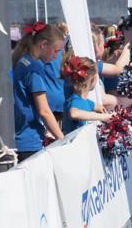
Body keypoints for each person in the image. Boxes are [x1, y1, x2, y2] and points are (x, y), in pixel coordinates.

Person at [12, 22, 65, 161]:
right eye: (56, 50)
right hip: (29, 141)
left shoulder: (22, 61)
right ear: (43, 44)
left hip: (17, 137)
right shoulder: (34, 69)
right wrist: (62, 139)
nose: (56, 56)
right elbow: (44, 111)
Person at [61, 56, 112, 134]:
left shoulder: (85, 101)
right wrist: (104, 117)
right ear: (92, 79)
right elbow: (74, 113)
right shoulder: (75, 100)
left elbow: (97, 106)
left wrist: (105, 111)